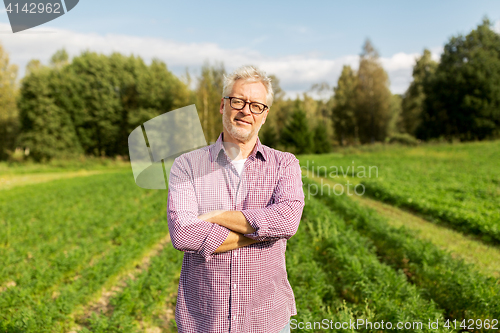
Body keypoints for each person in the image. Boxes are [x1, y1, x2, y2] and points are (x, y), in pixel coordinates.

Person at [167, 65, 305, 333]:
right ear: (223, 105)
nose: (246, 111)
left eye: (256, 106)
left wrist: (215, 216)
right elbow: (183, 234)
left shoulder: (285, 164)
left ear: (264, 115)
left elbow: (288, 221)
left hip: (267, 320)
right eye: (239, 101)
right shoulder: (187, 165)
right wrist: (264, 231)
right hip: (204, 320)